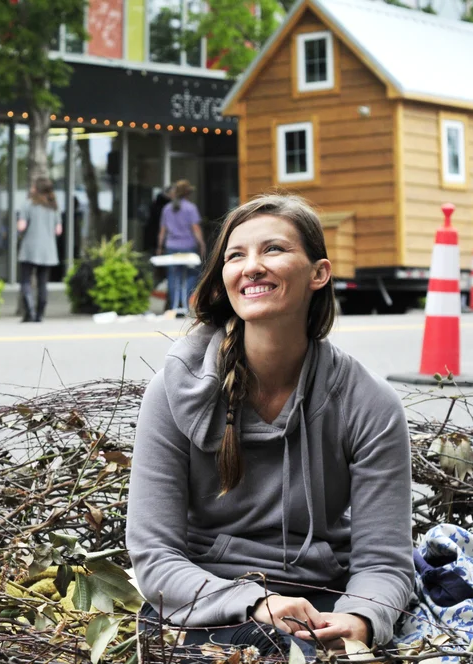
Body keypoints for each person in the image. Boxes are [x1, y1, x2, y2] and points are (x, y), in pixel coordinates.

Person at [126, 193, 413, 661]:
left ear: (318, 273)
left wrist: (360, 617)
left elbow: (384, 559)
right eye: (236, 256)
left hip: (322, 597)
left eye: (273, 249)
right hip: (204, 598)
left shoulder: (369, 404)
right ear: (224, 279)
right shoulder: (174, 391)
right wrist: (256, 604)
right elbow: (155, 557)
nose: (252, 266)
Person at [16, 177, 62, 323]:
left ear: (36, 188)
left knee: (25, 280)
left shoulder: (28, 205)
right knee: (43, 283)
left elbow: (21, 226)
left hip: (30, 248)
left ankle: (29, 311)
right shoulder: (53, 207)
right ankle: (39, 314)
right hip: (47, 250)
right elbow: (58, 230)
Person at [156, 179, 206, 312]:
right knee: (191, 273)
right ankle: (186, 303)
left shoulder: (166, 208)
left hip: (171, 246)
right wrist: (201, 244)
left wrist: (159, 247)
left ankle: (174, 306)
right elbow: (195, 228)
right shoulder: (191, 208)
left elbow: (162, 231)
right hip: (188, 246)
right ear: (187, 193)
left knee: (173, 275)